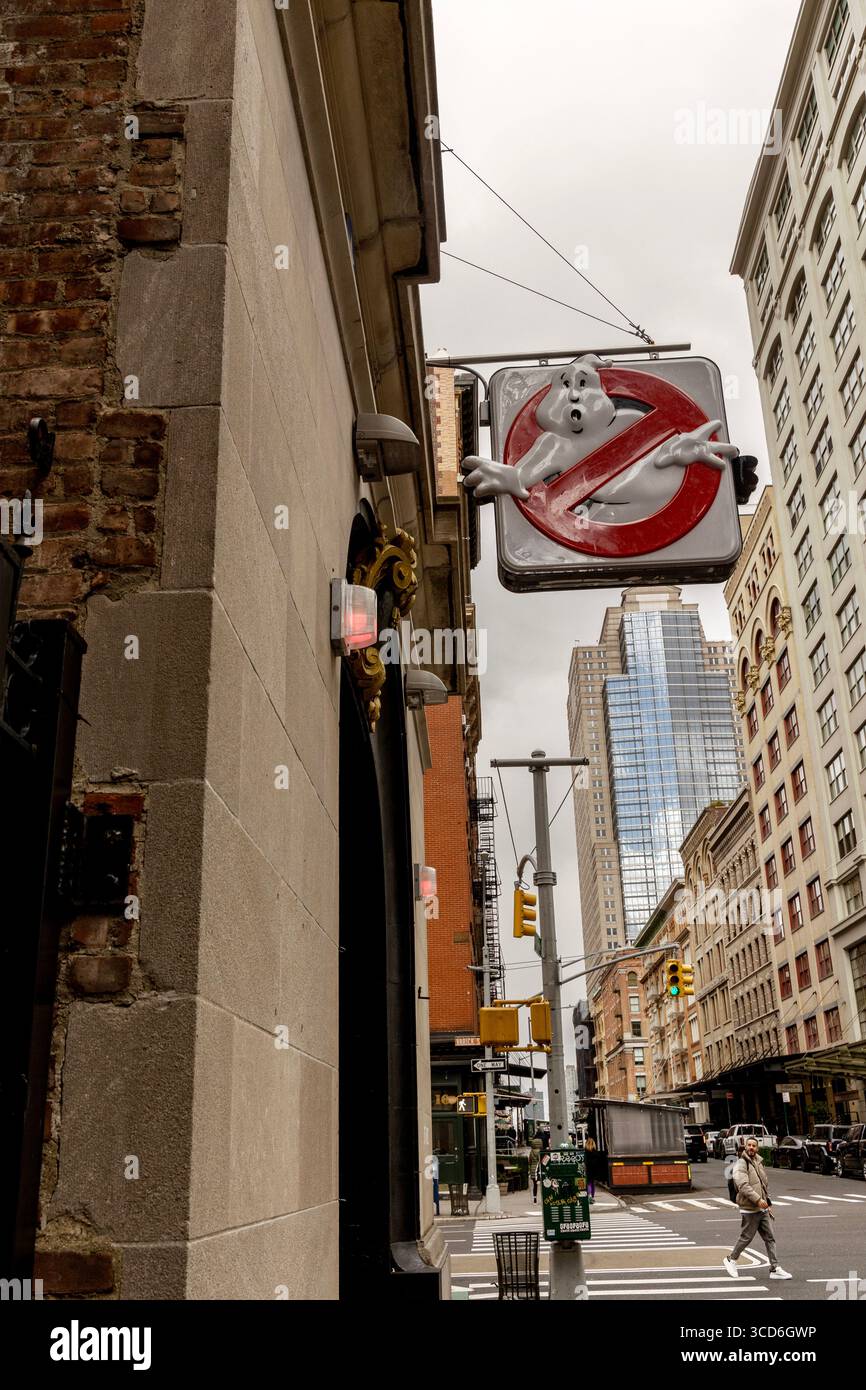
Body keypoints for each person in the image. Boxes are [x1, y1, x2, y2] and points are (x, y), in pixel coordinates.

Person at [723, 1136, 792, 1281]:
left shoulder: (758, 1162)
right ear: (745, 1146)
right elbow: (743, 1186)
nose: (751, 1148)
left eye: (754, 1145)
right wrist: (757, 1200)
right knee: (746, 1237)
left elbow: (763, 1185)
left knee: (770, 1238)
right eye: (749, 1145)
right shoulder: (741, 1164)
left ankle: (774, 1268)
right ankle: (731, 1259)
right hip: (749, 1208)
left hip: (762, 1208)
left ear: (757, 1148)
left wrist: (768, 1203)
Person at [529, 1128, 544, 1203]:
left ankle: (535, 1199)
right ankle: (543, 1199)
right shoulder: (541, 1152)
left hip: (533, 1170)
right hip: (540, 1170)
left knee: (535, 1185)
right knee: (543, 1185)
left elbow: (529, 1161)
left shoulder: (531, 1152)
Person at [584, 1136, 600, 1203]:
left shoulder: (585, 1152)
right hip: (594, 1170)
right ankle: (592, 1197)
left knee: (588, 1183)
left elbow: (584, 1161)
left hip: (587, 1169)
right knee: (593, 1183)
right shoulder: (595, 1152)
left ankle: (589, 1196)